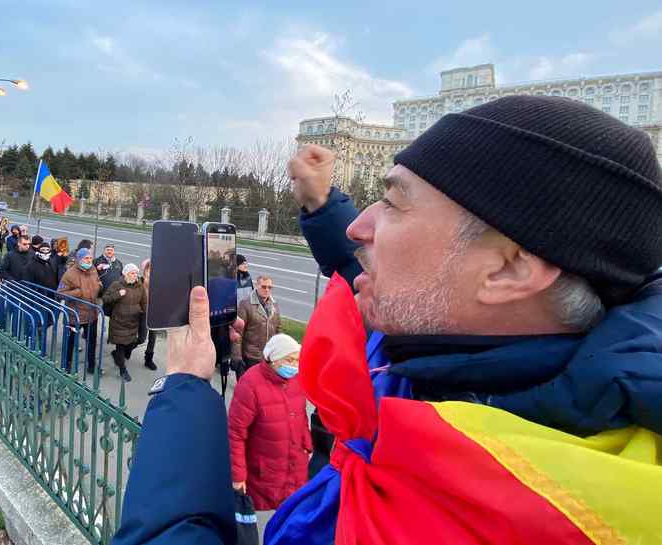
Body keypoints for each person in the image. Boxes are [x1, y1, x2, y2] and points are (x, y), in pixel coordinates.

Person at [112, 96, 662, 545]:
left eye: (395, 205)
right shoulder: (457, 349)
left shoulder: (501, 512)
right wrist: (323, 204)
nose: (360, 228)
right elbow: (414, 275)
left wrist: (184, 389)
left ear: (510, 269)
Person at [228, 334, 310, 513]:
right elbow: (235, 433)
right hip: (264, 471)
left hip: (294, 466)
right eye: (289, 360)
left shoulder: (296, 380)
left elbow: (301, 415)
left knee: (289, 515)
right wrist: (238, 476)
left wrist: (307, 444)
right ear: (273, 359)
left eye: (297, 360)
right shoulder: (250, 384)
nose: (294, 366)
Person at [58, 248, 101, 373]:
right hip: (75, 316)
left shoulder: (93, 270)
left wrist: (99, 285)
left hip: (91, 314)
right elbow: (60, 293)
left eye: (90, 258)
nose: (89, 260)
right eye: (86, 258)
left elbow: (96, 281)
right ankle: (67, 365)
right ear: (79, 259)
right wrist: (76, 292)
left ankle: (91, 366)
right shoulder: (70, 274)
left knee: (92, 342)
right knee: (70, 342)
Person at [103, 263, 148, 382]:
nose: (135, 275)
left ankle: (118, 355)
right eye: (132, 273)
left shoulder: (140, 286)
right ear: (125, 274)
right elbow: (106, 298)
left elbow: (144, 303)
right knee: (121, 345)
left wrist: (144, 315)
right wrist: (118, 294)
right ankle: (122, 370)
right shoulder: (117, 285)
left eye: (136, 273)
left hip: (133, 322)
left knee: (135, 342)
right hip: (119, 322)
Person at [234, 275, 282, 379]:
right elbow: (238, 333)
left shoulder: (274, 305)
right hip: (251, 357)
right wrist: (237, 357)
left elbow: (278, 330)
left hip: (268, 357)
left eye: (269, 287)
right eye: (264, 287)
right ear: (257, 286)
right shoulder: (245, 304)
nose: (267, 290)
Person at [136, 259, 158, 370]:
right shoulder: (139, 282)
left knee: (153, 337)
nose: (151, 272)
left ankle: (148, 359)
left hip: (154, 312)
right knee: (142, 338)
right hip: (143, 313)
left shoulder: (158, 283)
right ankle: (126, 349)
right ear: (144, 271)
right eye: (149, 269)